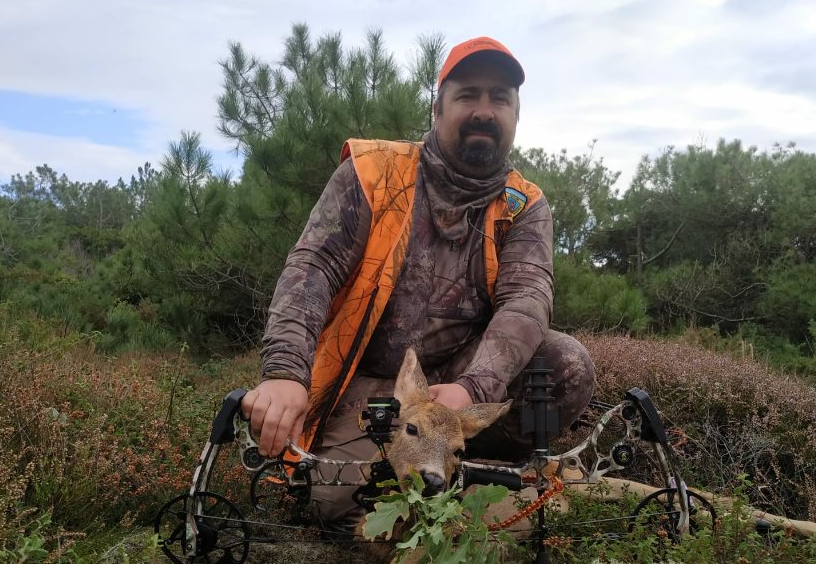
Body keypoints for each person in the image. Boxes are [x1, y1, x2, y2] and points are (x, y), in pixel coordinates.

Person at [242, 36, 595, 527]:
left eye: (500, 98)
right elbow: (311, 269)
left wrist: (471, 389)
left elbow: (527, 300)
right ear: (437, 108)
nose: (484, 111)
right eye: (467, 94)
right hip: (370, 387)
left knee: (566, 366)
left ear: (516, 114)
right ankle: (485, 482)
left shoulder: (524, 204)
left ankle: (474, 462)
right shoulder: (372, 173)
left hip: (459, 387)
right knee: (341, 502)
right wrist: (284, 373)